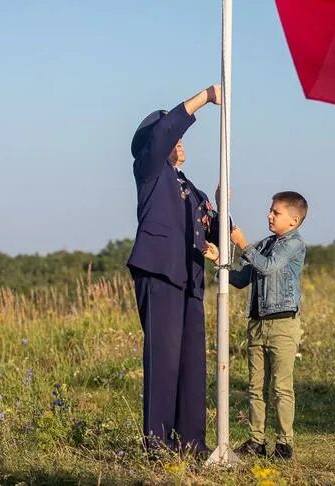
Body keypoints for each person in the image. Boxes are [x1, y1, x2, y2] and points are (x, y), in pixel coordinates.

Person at [127, 85, 221, 455]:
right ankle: (158, 444)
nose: (178, 138)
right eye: (172, 134)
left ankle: (191, 443)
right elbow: (165, 130)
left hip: (190, 279)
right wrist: (205, 97)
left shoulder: (188, 186)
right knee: (163, 361)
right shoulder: (149, 170)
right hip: (161, 273)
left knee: (190, 365)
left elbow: (214, 224)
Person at [203, 191, 308, 460]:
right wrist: (218, 261)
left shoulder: (294, 244)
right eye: (270, 210)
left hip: (283, 324)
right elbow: (241, 279)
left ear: (294, 220)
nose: (269, 215)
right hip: (258, 324)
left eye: (276, 212)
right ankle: (256, 440)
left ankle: (285, 443)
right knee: (255, 386)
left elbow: (269, 268)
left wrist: (243, 243)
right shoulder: (264, 244)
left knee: (281, 387)